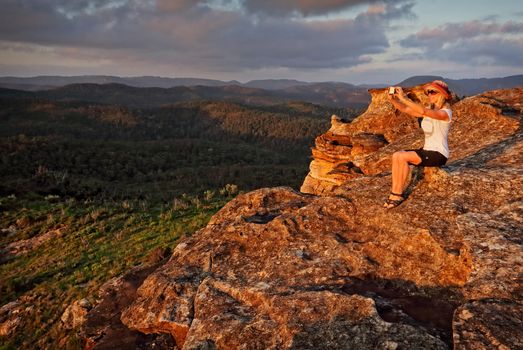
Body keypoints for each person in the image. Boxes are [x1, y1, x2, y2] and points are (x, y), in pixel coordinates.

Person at [383, 80, 453, 209]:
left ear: (442, 94)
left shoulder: (445, 113)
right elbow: (406, 109)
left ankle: (397, 194)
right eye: (428, 92)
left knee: (402, 157)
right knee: (397, 155)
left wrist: (403, 97)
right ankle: (394, 192)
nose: (430, 94)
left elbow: (423, 112)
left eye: (433, 92)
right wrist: (393, 100)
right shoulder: (431, 110)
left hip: (438, 154)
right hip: (427, 150)